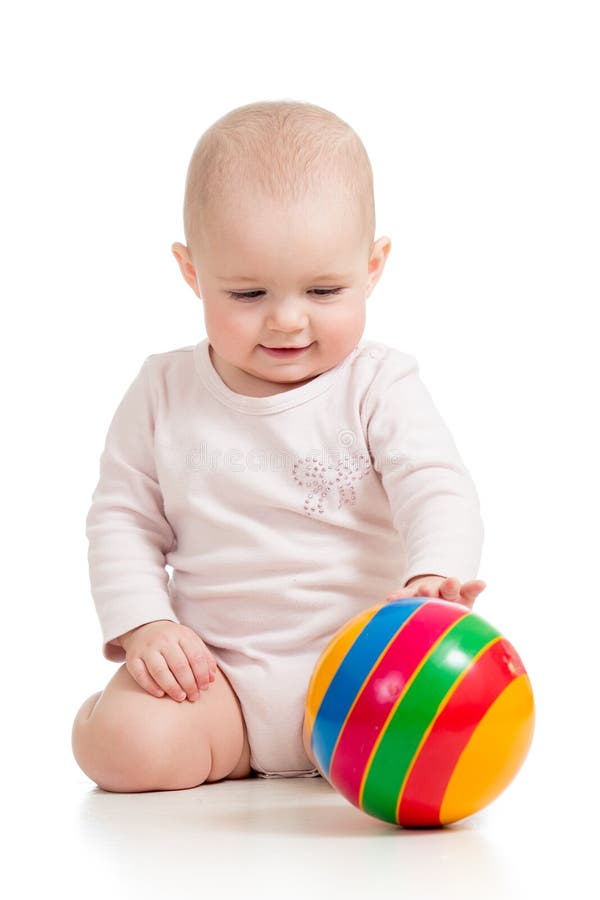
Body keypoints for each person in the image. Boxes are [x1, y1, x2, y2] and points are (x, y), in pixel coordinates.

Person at [71, 99, 486, 793]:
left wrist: (432, 580)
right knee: (126, 748)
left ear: (374, 266)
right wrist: (145, 627)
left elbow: (437, 486)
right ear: (192, 271)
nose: (288, 319)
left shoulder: (378, 384)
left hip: (365, 679)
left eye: (325, 289)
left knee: (456, 735)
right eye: (248, 291)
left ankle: (350, 759)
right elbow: (121, 520)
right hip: (216, 680)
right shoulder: (162, 391)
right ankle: (108, 719)